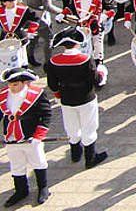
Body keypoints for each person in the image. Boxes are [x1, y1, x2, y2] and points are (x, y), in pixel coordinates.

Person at [44, 28, 107, 169]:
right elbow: (96, 81)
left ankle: (75, 154)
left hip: (66, 99)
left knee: (71, 126)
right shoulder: (85, 59)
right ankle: (90, 158)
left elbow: (52, 84)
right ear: (77, 43)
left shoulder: (54, 61)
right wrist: (102, 72)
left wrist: (58, 96)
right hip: (86, 98)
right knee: (89, 126)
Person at [0, 67, 51, 206]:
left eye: (15, 84)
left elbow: (46, 115)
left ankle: (43, 188)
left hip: (31, 137)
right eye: (9, 84)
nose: (11, 87)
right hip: (11, 138)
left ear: (24, 83)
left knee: (38, 162)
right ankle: (21, 191)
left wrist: (38, 136)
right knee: (16, 165)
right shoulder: (3, 95)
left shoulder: (36, 94)